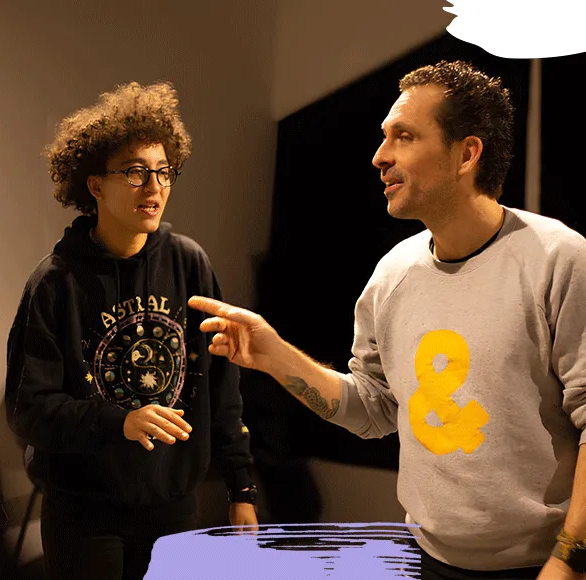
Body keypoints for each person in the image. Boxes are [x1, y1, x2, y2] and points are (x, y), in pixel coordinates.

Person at [187, 60, 586, 580]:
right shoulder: (393, 273)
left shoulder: (558, 258)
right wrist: (275, 355)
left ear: (467, 154)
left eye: (405, 136)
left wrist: (569, 558)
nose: (380, 156)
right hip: (426, 560)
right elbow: (373, 411)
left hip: (542, 566)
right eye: (384, 137)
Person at [4, 81, 258, 580]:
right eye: (136, 172)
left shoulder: (189, 263)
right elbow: (28, 410)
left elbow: (221, 384)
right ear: (95, 185)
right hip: (84, 513)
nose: (154, 186)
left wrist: (241, 486)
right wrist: (118, 421)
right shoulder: (55, 282)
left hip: (173, 505)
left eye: (164, 172)